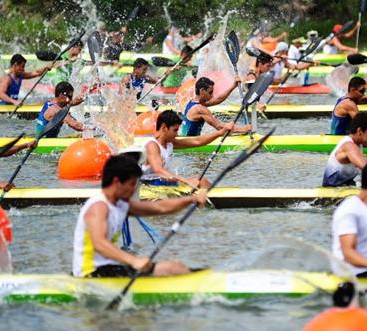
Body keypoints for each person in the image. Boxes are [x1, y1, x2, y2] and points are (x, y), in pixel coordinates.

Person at [72, 154, 207, 277]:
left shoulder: (121, 204)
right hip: (90, 273)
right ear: (116, 182)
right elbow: (99, 243)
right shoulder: (99, 207)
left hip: (106, 267)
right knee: (172, 268)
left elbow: (160, 207)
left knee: (176, 266)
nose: (134, 190)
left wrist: (191, 199)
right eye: (131, 184)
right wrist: (134, 261)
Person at [142, 110, 234, 189]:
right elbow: (159, 170)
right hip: (150, 185)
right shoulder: (152, 145)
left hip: (162, 182)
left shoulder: (169, 143)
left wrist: (220, 133)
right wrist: (185, 181)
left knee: (202, 181)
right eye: (175, 130)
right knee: (201, 182)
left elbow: (197, 142)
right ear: (164, 127)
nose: (177, 134)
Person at [181, 77, 251, 136]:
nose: (212, 95)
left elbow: (217, 100)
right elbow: (219, 127)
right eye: (210, 92)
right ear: (202, 91)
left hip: (187, 139)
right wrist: (243, 129)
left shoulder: (193, 101)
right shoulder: (199, 109)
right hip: (190, 144)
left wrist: (233, 86)